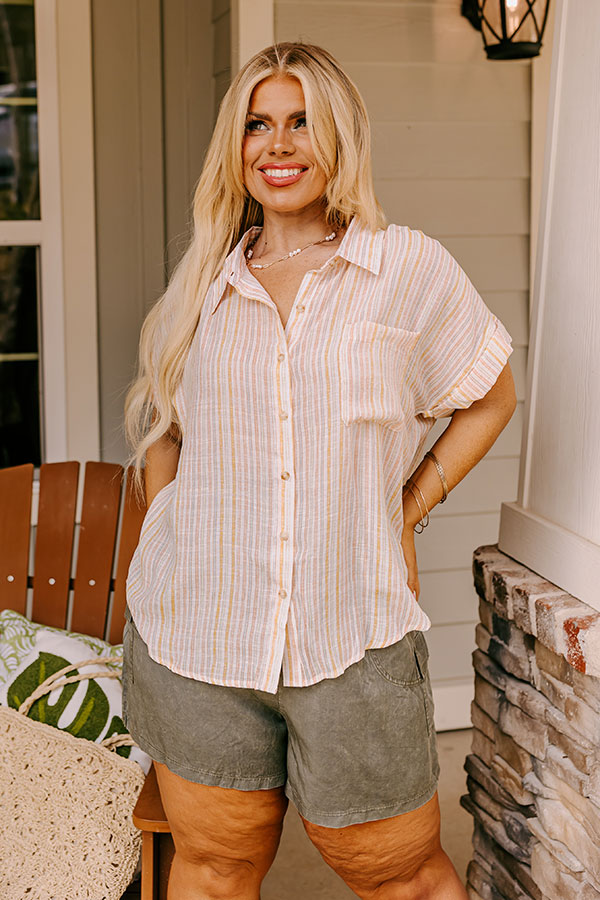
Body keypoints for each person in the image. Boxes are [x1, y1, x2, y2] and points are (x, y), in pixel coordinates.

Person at [122, 41, 516, 900]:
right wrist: (164, 527)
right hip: (202, 640)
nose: (278, 144)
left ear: (340, 137)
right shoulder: (204, 284)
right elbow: (166, 431)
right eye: (258, 124)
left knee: (403, 876)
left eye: (302, 122)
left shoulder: (405, 269)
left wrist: (410, 504)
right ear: (236, 147)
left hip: (353, 636)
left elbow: (489, 395)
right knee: (213, 871)